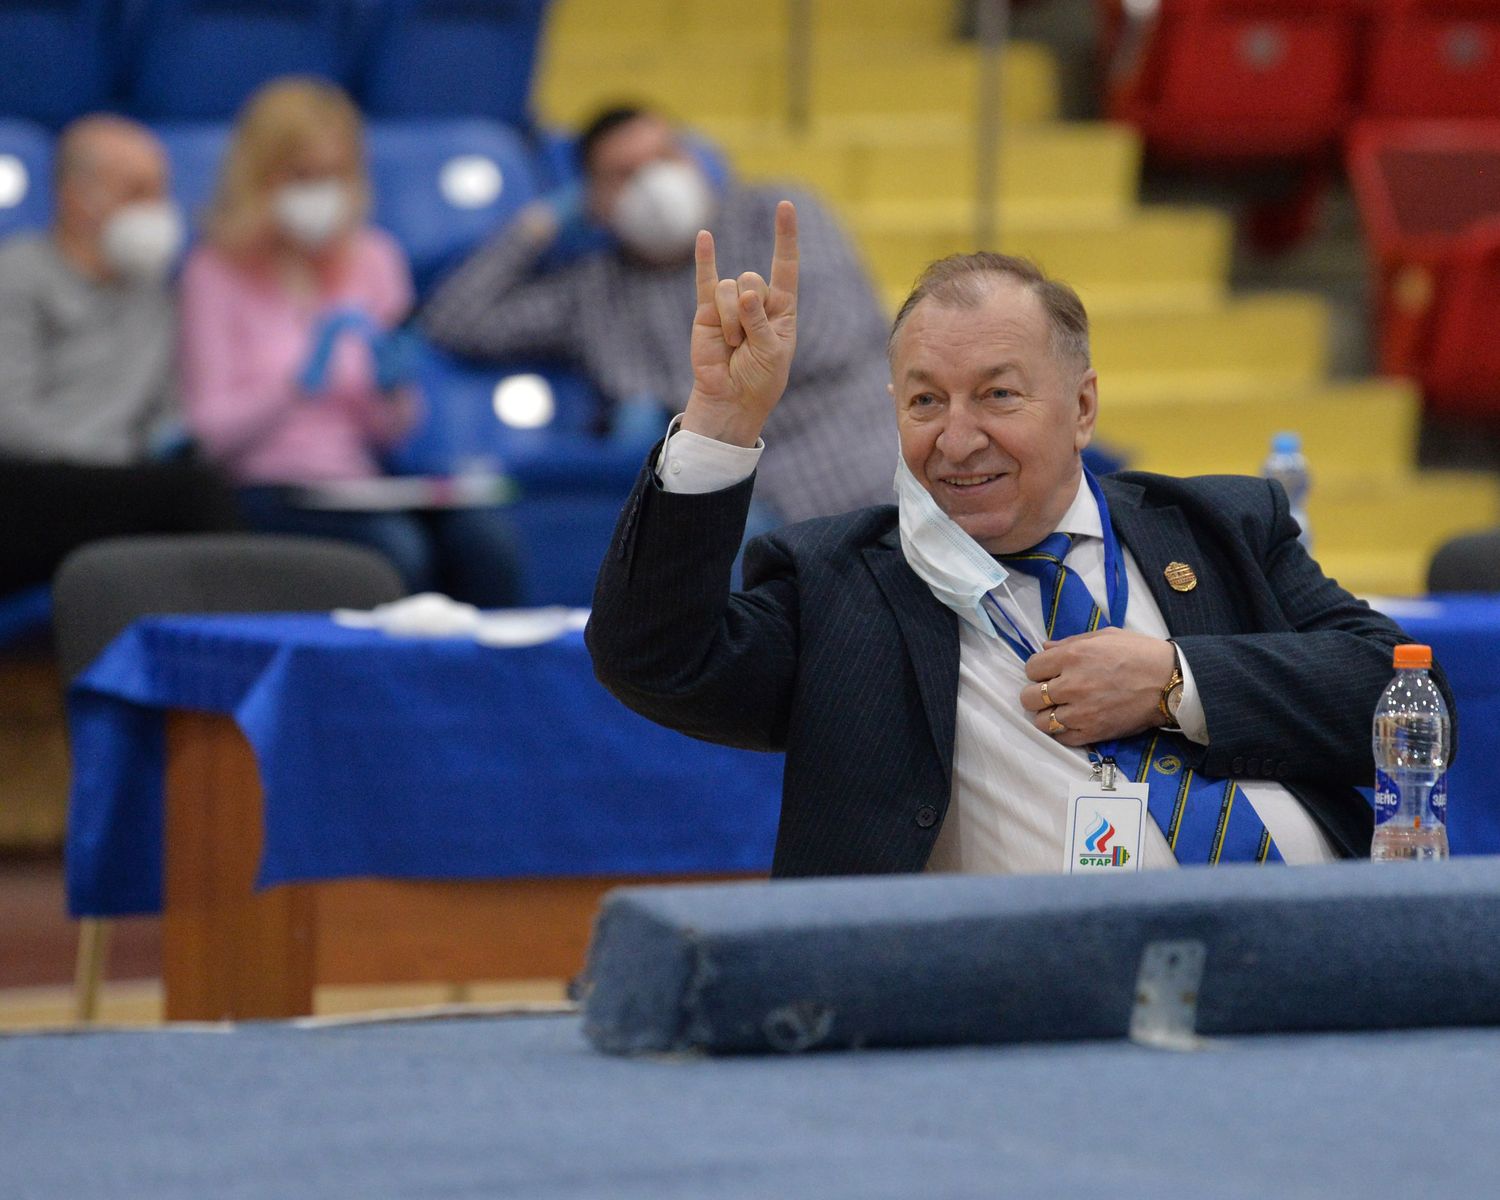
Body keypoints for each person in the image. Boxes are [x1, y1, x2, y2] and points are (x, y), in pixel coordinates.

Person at [587, 201, 1455, 876]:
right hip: (1043, 999)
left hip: (1325, 940)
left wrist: (1174, 682)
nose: (957, 439)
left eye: (998, 395)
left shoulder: (1218, 526)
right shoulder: (839, 585)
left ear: (1082, 407)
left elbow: (1406, 701)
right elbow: (656, 660)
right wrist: (722, 420)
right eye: (925, 401)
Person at [420, 106, 893, 527]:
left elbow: (837, 335)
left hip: (867, 450)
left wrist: (700, 400)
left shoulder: (773, 214)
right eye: (625, 175)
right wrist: (542, 224)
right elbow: (454, 320)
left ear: (694, 161)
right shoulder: (592, 293)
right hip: (751, 499)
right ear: (594, 201)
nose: (655, 182)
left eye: (665, 157)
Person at [179, 78, 522, 605]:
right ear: (259, 177)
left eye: (335, 174)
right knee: (396, 551)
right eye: (302, 175)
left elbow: (392, 434)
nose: (321, 192)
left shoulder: (375, 259)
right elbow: (209, 435)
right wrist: (294, 386)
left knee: (486, 542)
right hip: (264, 490)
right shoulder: (214, 272)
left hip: (361, 483)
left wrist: (392, 390)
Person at [0, 115, 238, 596]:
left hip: (121, 484)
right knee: (195, 497)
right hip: (31, 480)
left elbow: (164, 413)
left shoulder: (153, 290)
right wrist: (102, 462)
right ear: (76, 196)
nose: (156, 209)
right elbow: (9, 419)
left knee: (200, 484)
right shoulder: (17, 275)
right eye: (137, 192)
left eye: (161, 192)